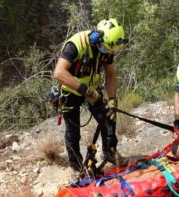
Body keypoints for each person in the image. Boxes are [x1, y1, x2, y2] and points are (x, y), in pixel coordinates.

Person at [53, 18, 129, 174]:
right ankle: (77, 167)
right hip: (71, 90)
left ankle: (110, 152)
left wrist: (113, 99)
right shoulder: (76, 44)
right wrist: (86, 91)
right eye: (107, 49)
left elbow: (110, 74)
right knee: (73, 132)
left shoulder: (107, 48)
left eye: (111, 51)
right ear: (98, 38)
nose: (109, 53)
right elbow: (59, 72)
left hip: (92, 90)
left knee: (108, 116)